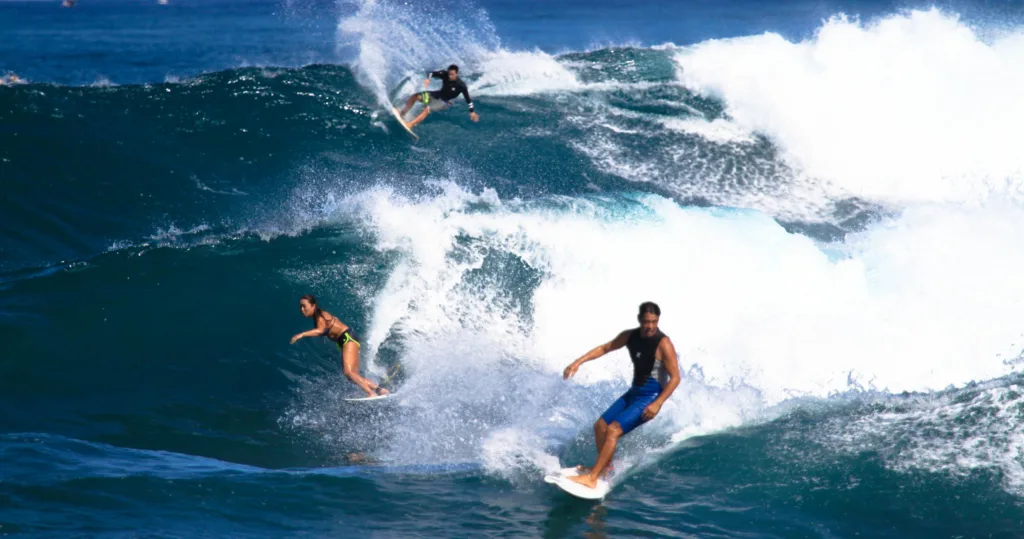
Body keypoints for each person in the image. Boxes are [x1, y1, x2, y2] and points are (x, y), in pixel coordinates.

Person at [561, 302, 680, 489]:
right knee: (600, 426)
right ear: (640, 319)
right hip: (634, 392)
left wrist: (658, 403)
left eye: (654, 322)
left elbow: (675, 378)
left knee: (613, 430)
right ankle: (604, 469)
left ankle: (592, 478)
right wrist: (578, 362)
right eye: (646, 322)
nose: (650, 326)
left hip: (649, 397)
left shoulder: (664, 344)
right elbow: (605, 348)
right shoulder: (630, 336)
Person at [291, 294, 389, 398]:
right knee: (352, 376)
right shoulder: (319, 316)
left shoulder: (320, 316)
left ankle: (371, 393)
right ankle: (380, 390)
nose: (302, 309)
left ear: (313, 306)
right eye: (300, 306)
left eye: (304, 306)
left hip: (347, 338)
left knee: (348, 372)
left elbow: (320, 330)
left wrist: (301, 334)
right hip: (347, 339)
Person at [398, 64, 479, 129]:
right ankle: (402, 113)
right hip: (436, 95)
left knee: (427, 108)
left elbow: (468, 100)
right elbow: (430, 73)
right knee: (415, 96)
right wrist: (428, 79)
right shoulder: (445, 74)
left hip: (444, 101)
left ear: (456, 74)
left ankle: (411, 124)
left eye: (452, 74)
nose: (450, 76)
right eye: (449, 74)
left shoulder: (461, 85)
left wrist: (472, 112)